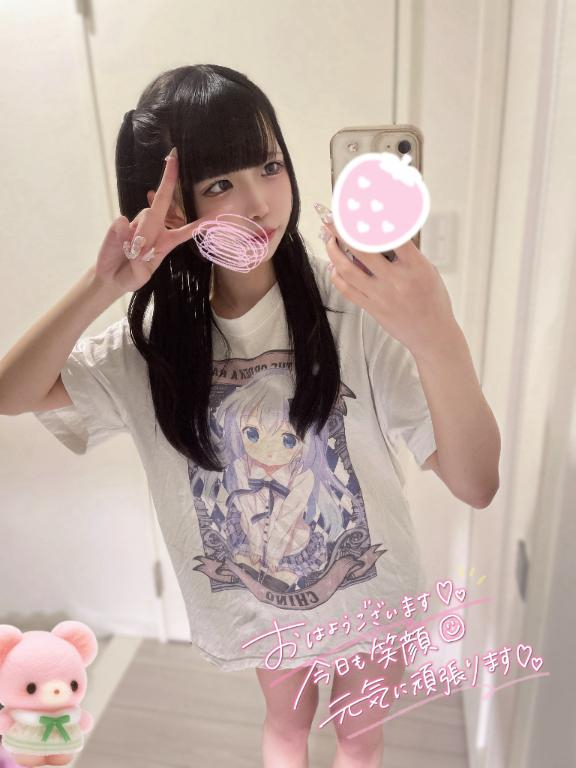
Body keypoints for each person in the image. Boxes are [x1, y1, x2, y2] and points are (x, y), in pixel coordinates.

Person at [0, 64, 500, 768]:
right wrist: (103, 284)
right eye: (219, 184)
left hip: (370, 595)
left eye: (269, 165)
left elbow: (477, 483)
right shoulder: (155, 349)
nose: (260, 203)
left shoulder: (353, 306)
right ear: (171, 206)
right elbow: (13, 392)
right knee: (286, 729)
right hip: (266, 607)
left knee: (360, 737)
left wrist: (437, 334)